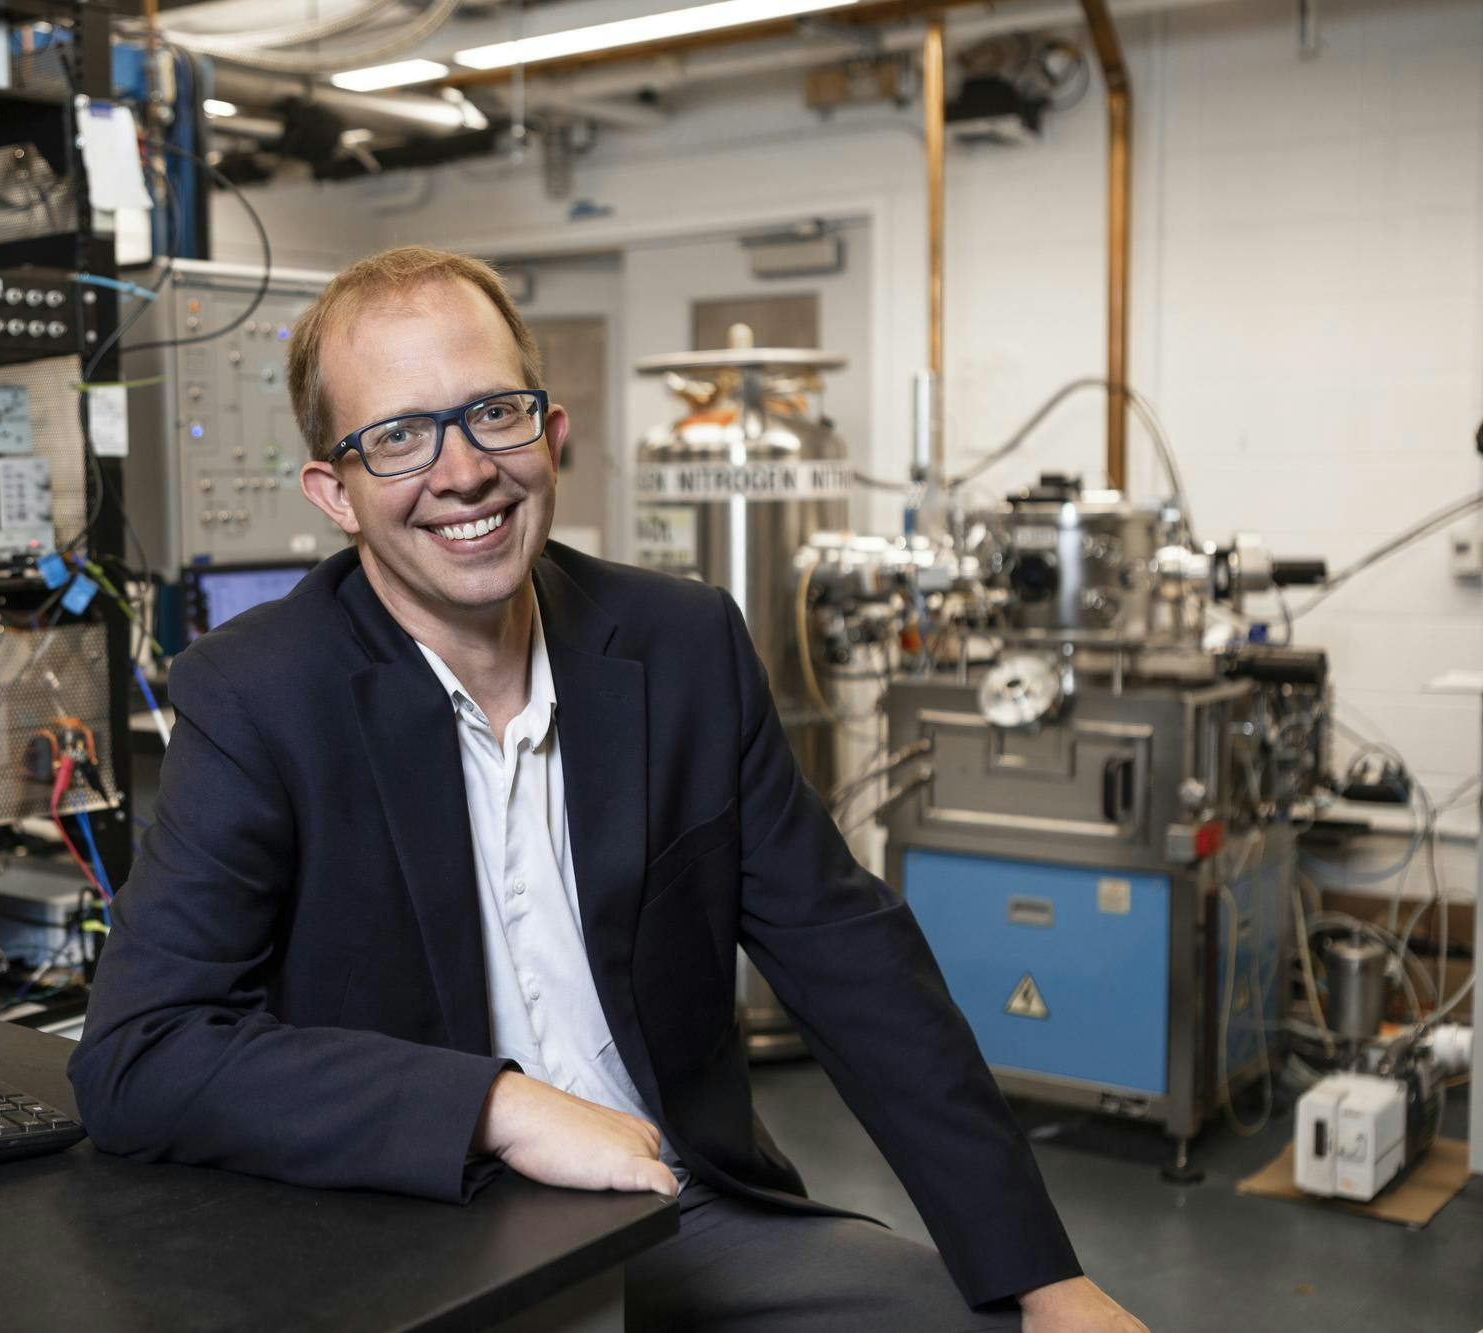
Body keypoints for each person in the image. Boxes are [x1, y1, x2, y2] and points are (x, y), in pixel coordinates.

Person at [69, 246, 1147, 1331]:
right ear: (333, 494)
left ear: (550, 432)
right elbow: (139, 1055)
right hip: (410, 1229)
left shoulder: (683, 649)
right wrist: (491, 1107)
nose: (460, 473)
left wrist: (1039, 1273)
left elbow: (854, 966)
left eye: (492, 412)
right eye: (396, 436)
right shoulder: (260, 693)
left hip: (677, 1212)